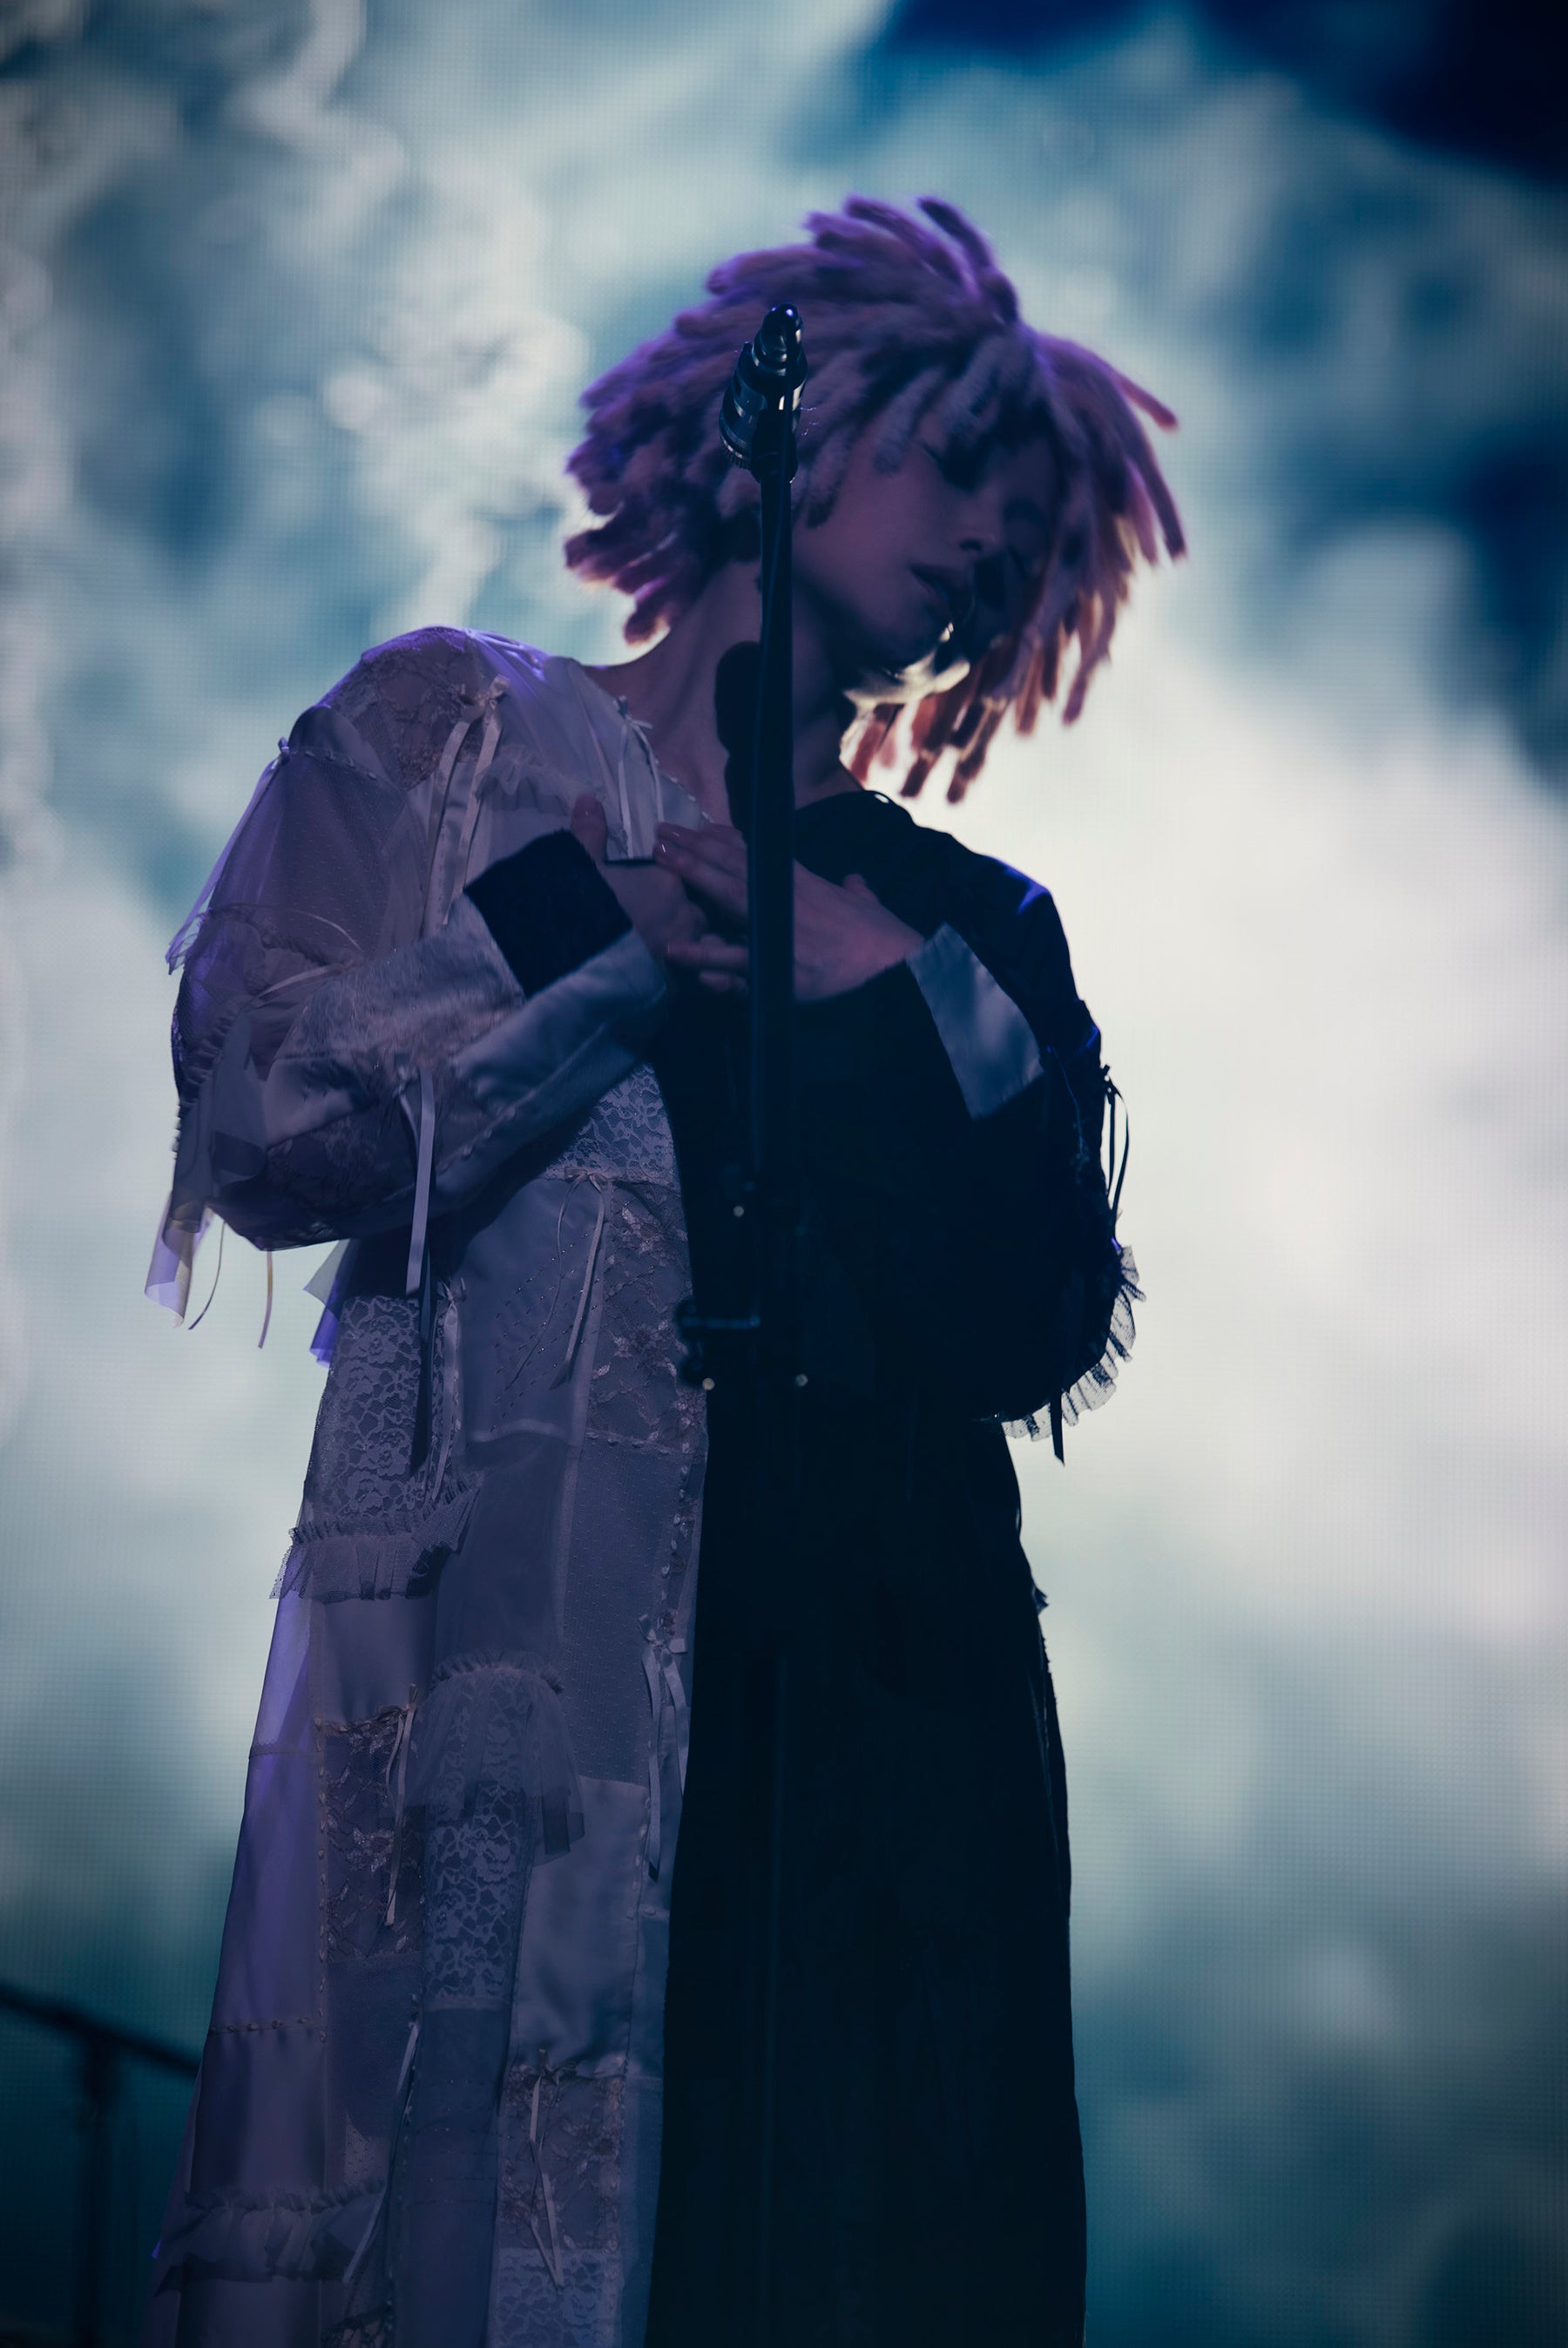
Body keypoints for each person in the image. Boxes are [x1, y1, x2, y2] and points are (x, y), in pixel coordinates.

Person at [143, 195, 1180, 2348]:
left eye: (1030, 518)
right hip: (535, 1703)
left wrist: (885, 992)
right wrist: (603, 925)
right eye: (956, 461)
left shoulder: (967, 922)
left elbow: (1040, 1319)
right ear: (781, 424)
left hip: (882, 1755)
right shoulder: (454, 738)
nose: (993, 533)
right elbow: (266, 1125)